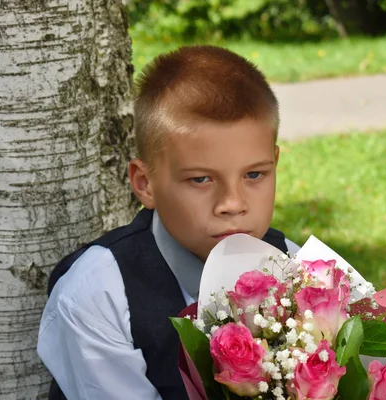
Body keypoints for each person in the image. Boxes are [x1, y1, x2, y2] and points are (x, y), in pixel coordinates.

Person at [37, 45, 300, 400]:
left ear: (274, 162)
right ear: (145, 184)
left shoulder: (299, 270)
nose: (232, 204)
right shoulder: (100, 295)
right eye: (200, 180)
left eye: (254, 174)